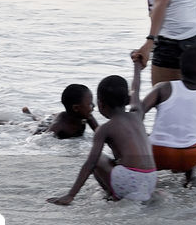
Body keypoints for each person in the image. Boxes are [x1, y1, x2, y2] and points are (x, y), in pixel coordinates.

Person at [47, 63, 157, 205]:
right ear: (127, 99)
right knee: (117, 161)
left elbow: (91, 163)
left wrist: (70, 195)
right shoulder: (138, 114)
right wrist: (137, 65)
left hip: (130, 181)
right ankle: (132, 192)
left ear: (100, 104)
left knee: (98, 159)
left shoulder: (105, 129)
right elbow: (135, 90)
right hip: (151, 180)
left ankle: (113, 195)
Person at [140, 46, 196, 185]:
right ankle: (189, 180)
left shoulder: (163, 88)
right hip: (190, 156)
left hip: (158, 153)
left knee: (148, 136)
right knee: (194, 139)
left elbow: (138, 113)